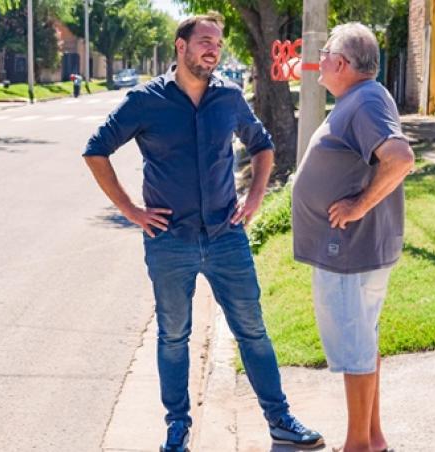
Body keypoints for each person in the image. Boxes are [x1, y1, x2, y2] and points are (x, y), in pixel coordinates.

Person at [82, 11, 324, 452]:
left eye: (217, 42)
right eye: (205, 41)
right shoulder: (145, 102)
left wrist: (253, 200)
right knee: (174, 334)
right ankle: (177, 426)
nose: (213, 49)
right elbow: (96, 150)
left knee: (252, 329)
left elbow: (262, 145)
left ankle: (280, 419)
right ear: (181, 46)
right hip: (169, 240)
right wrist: (130, 210)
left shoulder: (229, 98)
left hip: (225, 236)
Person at [291, 22, 415, 452]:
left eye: (325, 54)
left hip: (349, 250)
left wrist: (358, 205)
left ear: (341, 63)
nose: (319, 61)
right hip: (355, 249)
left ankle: (357, 446)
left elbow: (400, 158)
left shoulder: (363, 101)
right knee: (363, 341)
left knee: (357, 347)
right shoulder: (362, 97)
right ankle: (372, 439)